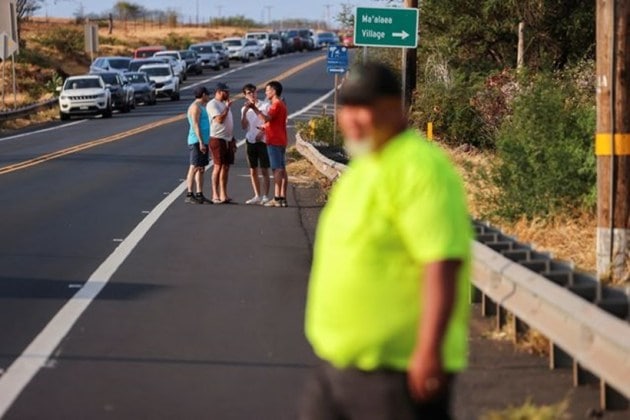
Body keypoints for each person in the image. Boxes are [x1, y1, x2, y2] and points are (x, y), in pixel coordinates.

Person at [301, 63, 472, 420]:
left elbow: (441, 262)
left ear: (397, 108)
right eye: (347, 106)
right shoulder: (364, 166)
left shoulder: (419, 168)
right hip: (340, 362)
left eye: (367, 106)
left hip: (397, 372)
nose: (354, 117)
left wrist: (428, 353)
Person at [249, 80, 288, 208]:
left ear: (274, 91)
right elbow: (273, 122)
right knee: (281, 169)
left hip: (275, 140)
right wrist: (265, 128)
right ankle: (282, 198)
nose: (266, 92)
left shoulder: (276, 105)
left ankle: (277, 198)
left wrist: (254, 108)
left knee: (276, 169)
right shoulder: (280, 104)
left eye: (267, 90)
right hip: (280, 139)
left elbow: (266, 118)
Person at [241, 83, 271, 205]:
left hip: (263, 141)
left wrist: (263, 132)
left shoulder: (265, 105)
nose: (252, 95)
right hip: (250, 140)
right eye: (249, 93)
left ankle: (265, 195)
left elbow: (267, 121)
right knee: (253, 169)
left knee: (264, 169)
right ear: (245, 95)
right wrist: (245, 112)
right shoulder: (244, 109)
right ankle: (257, 195)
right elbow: (243, 126)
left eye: (253, 92)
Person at [207, 82, 236, 204]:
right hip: (217, 139)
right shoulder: (212, 104)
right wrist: (227, 107)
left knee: (226, 166)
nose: (228, 94)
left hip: (228, 139)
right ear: (218, 92)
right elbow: (219, 120)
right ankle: (215, 194)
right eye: (226, 91)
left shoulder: (223, 104)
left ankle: (224, 194)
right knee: (218, 166)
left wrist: (233, 139)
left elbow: (228, 123)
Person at [184, 85, 212, 204]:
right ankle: (190, 193)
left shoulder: (202, 106)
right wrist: (200, 142)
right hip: (196, 141)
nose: (209, 96)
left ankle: (199, 193)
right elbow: (195, 125)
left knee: (201, 168)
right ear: (203, 95)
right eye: (207, 94)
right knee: (194, 166)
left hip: (204, 141)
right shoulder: (195, 107)